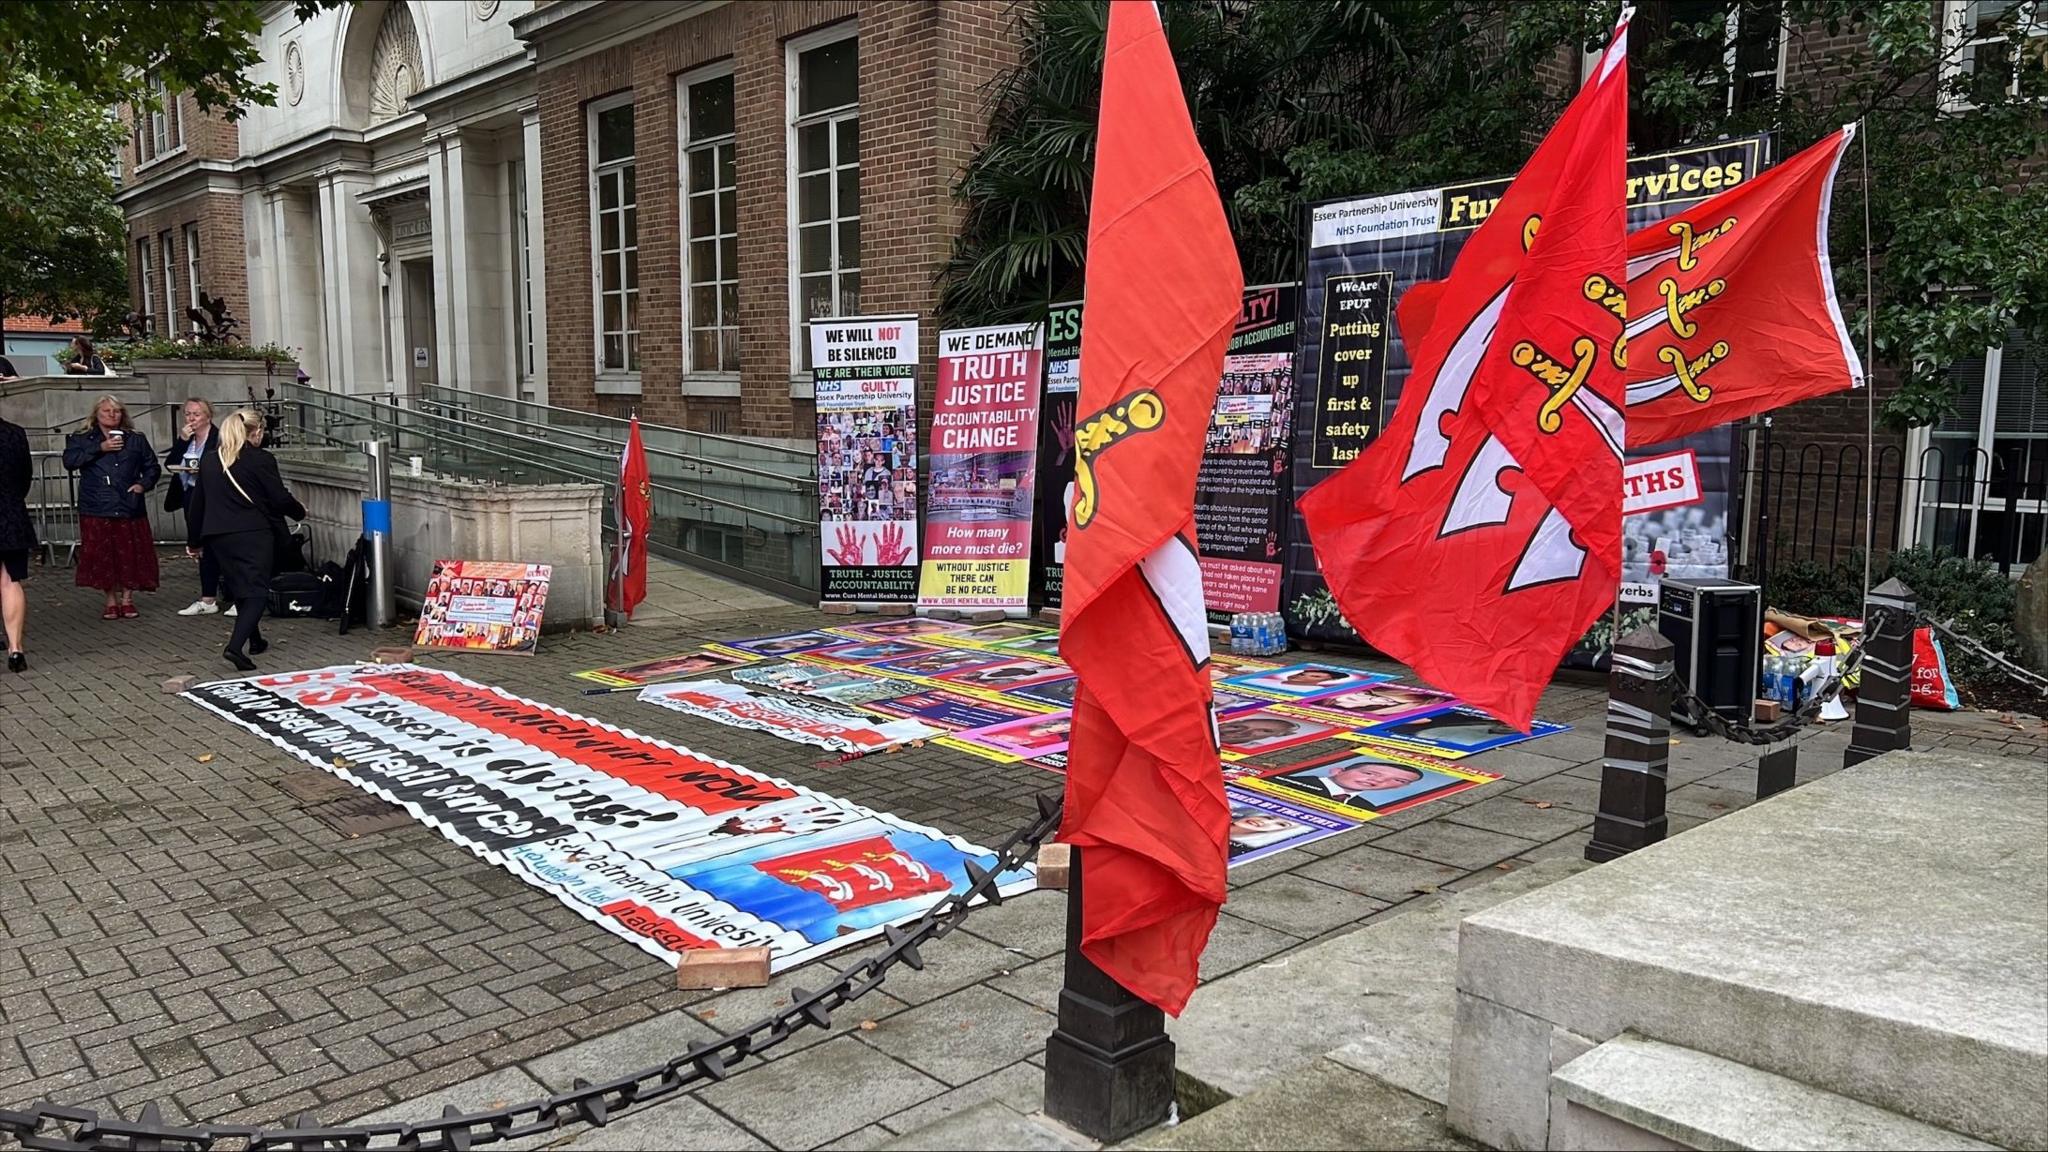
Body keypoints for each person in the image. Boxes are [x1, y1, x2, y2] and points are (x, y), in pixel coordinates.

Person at [191, 409, 305, 670]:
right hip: (253, 533)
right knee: (256, 591)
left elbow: (199, 503)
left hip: (218, 535)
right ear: (256, 432)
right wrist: (299, 511)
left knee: (241, 586)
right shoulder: (261, 459)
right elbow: (278, 497)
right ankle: (235, 647)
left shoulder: (210, 460)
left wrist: (194, 539)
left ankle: (256, 639)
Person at [63, 395, 160, 618]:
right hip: (97, 505)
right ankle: (110, 600)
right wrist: (100, 448)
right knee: (103, 554)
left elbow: (152, 466)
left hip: (128, 504)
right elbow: (70, 461)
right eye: (106, 411)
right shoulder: (83, 438)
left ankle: (127, 598)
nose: (112, 415)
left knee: (130, 553)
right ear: (96, 414)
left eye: (116, 411)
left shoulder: (135, 439)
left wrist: (142, 485)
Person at [164, 398, 226, 616]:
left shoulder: (219, 438)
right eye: (188, 414)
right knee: (200, 546)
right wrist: (181, 441)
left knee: (219, 546)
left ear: (208, 416)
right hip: (191, 495)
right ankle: (207, 598)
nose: (192, 418)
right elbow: (169, 462)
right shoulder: (187, 441)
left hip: (213, 498)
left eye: (197, 414)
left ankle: (235, 595)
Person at [0, 412, 35, 670]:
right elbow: (25, 476)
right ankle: (15, 648)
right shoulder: (15, 433)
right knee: (11, 580)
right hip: (10, 514)